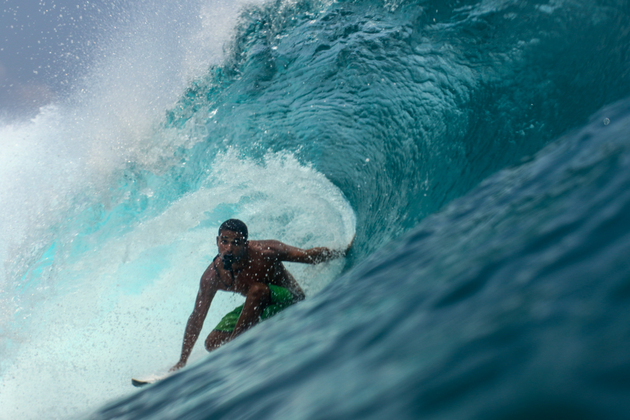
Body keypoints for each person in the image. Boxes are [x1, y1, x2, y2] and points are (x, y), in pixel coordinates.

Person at [170, 219, 351, 372]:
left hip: (289, 300)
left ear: (246, 243)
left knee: (257, 290)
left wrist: (342, 251)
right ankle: (250, 343)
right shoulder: (212, 277)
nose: (229, 248)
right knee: (211, 343)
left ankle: (234, 351)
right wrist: (182, 361)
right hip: (259, 310)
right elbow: (196, 318)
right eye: (224, 241)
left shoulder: (266, 252)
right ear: (217, 241)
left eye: (236, 242)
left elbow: (306, 256)